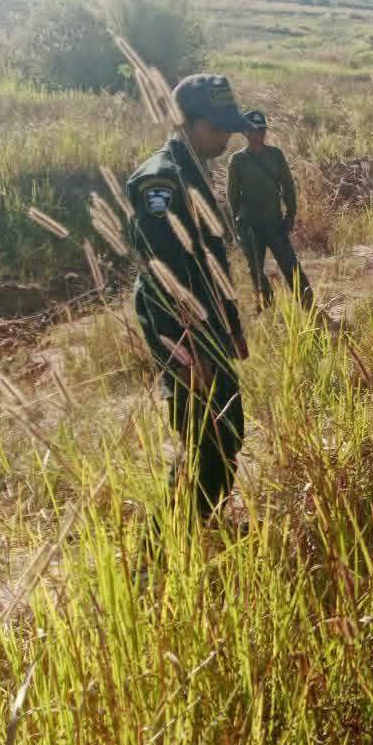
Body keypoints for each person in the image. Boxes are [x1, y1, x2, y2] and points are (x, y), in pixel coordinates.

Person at [127, 73, 252, 527]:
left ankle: (202, 520)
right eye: (218, 128)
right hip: (182, 331)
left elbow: (210, 261)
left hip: (207, 323)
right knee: (204, 434)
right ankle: (167, 541)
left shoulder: (194, 169)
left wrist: (231, 325)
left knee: (227, 426)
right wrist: (186, 353)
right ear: (188, 123)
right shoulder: (160, 180)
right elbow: (163, 274)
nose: (226, 137)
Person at [226, 109, 313, 310]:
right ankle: (267, 309)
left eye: (261, 130)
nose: (258, 134)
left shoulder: (275, 155)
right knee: (256, 271)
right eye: (253, 130)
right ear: (245, 132)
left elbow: (288, 186)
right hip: (249, 224)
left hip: (274, 222)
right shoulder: (237, 160)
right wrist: (237, 223)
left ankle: (308, 305)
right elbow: (232, 195)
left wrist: (290, 214)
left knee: (290, 266)